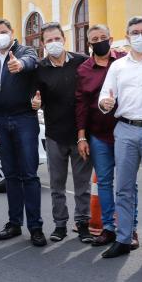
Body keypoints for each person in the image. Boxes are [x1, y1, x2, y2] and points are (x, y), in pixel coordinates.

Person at [98, 17, 142, 262]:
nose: (139, 36)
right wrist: (105, 103)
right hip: (125, 129)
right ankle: (123, 238)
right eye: (134, 32)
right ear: (127, 37)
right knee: (124, 188)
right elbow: (105, 97)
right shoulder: (117, 66)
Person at [74, 25, 138, 248]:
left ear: (111, 39)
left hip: (125, 132)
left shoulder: (123, 61)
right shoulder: (84, 69)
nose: (99, 41)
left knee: (127, 184)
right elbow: (81, 105)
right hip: (99, 135)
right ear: (89, 43)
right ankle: (109, 228)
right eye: (94, 39)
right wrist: (81, 137)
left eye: (103, 37)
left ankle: (130, 228)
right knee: (104, 182)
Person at [0, 19, 44, 246]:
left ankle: (36, 226)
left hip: (24, 119)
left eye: (4, 32)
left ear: (12, 33)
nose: (0, 36)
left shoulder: (24, 51)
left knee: (29, 175)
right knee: (10, 175)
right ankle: (14, 223)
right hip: (1, 121)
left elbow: (30, 62)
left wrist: (19, 64)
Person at [31, 22, 90, 243]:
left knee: (82, 184)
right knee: (57, 184)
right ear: (43, 44)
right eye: (48, 40)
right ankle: (60, 225)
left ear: (64, 38)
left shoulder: (82, 62)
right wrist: (36, 102)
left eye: (57, 39)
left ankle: (83, 223)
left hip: (81, 134)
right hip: (54, 134)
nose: (53, 43)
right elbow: (36, 97)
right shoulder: (40, 68)